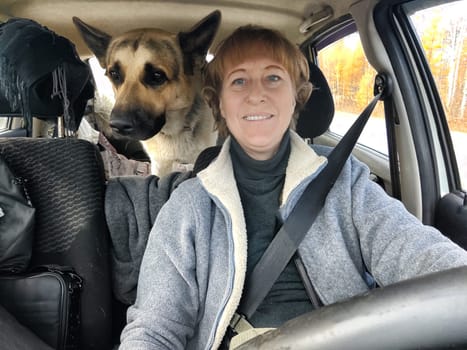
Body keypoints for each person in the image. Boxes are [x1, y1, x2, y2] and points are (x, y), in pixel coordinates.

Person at [119, 25, 467, 350]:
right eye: (239, 82)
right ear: (219, 103)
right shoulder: (187, 206)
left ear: (297, 97)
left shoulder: (345, 180)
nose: (257, 95)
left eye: (273, 78)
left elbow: (418, 253)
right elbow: (153, 329)